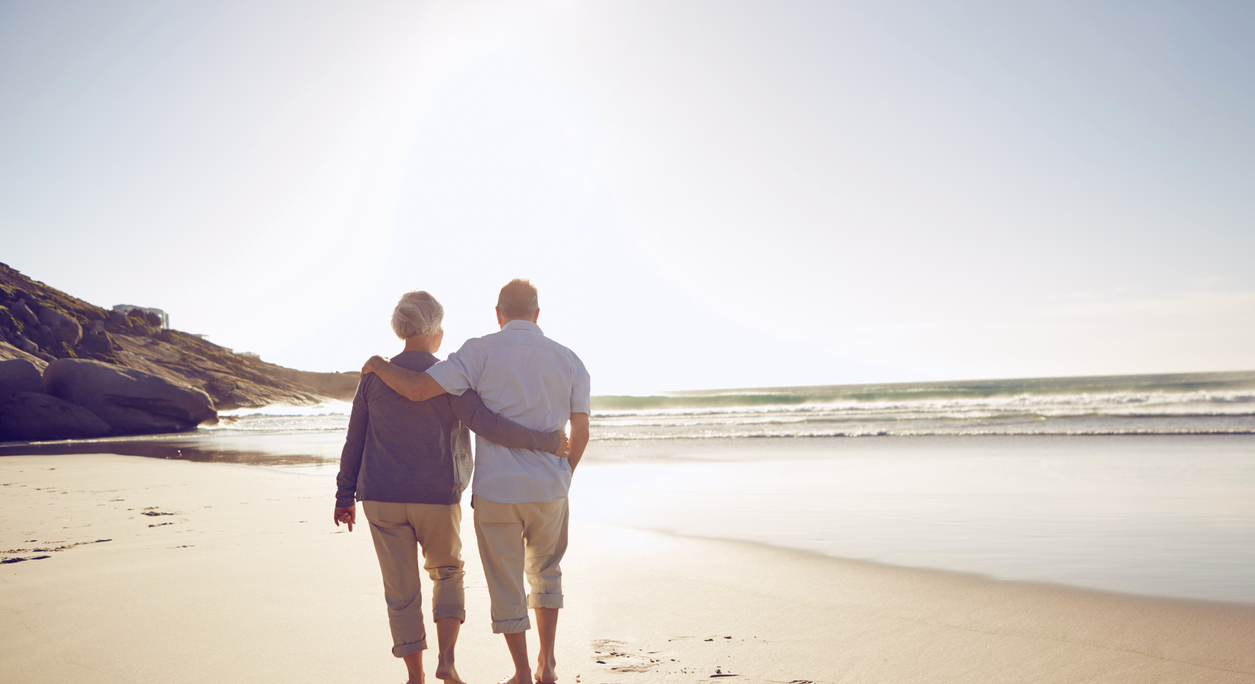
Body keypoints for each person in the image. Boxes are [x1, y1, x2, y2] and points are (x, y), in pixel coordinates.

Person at [363, 278, 590, 684]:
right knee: (547, 573)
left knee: (506, 583)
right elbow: (581, 431)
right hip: (550, 490)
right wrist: (562, 477)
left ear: (498, 314)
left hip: (497, 491)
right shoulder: (569, 359)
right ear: (538, 314)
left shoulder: (476, 352)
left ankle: (521, 671)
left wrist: (378, 364)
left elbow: (417, 390)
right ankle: (547, 664)